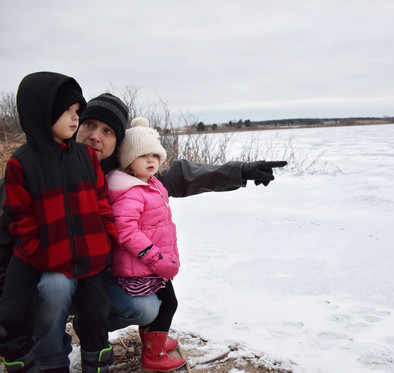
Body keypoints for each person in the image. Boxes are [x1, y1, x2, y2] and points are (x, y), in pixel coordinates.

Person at [0, 91, 287, 372]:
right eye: (89, 125)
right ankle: (50, 353)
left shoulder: (123, 174)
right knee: (55, 284)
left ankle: (94, 326)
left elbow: (179, 176)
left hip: (96, 279)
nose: (95, 136)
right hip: (51, 277)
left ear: (119, 142)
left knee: (150, 306)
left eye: (108, 131)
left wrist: (240, 171)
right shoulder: (35, 167)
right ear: (75, 125)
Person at [0, 72, 117, 372]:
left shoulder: (85, 157)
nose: (75, 118)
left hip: (89, 254)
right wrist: (38, 250)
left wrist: (106, 236)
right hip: (46, 255)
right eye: (67, 111)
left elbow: (101, 200)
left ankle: (96, 360)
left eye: (77, 111)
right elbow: (21, 215)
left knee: (96, 311)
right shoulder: (21, 162)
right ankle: (32, 361)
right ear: (43, 112)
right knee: (13, 311)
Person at [107, 117, 186, 370]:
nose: (151, 160)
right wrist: (155, 257)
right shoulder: (130, 191)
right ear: (129, 161)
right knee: (168, 304)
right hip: (142, 266)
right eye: (143, 156)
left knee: (166, 303)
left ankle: (155, 344)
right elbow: (125, 231)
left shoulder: (151, 184)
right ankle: (154, 356)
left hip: (153, 263)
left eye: (155, 154)